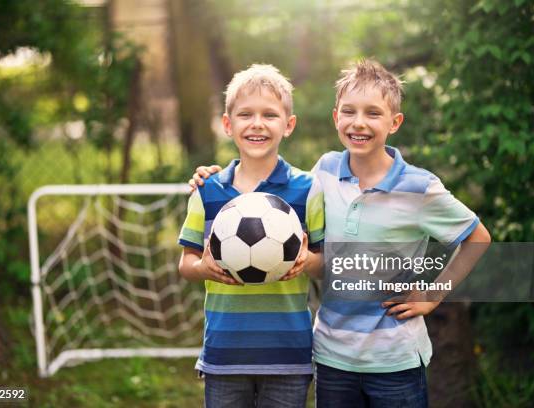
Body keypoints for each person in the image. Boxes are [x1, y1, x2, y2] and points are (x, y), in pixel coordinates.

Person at [190, 59, 491, 407]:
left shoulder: (419, 187)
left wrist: (432, 293)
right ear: (336, 118)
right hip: (332, 356)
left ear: (395, 122)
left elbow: (477, 237)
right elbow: (270, 197)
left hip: (395, 359)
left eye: (373, 113)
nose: (358, 122)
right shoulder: (324, 172)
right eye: (349, 111)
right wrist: (214, 178)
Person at [177, 64, 325, 408]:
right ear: (228, 125)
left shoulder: (307, 189)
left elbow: (324, 262)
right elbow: (185, 263)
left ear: (288, 125)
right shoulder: (207, 190)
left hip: (288, 354)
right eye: (246, 114)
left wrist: (306, 261)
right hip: (224, 355)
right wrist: (203, 268)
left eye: (270, 115)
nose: (257, 123)